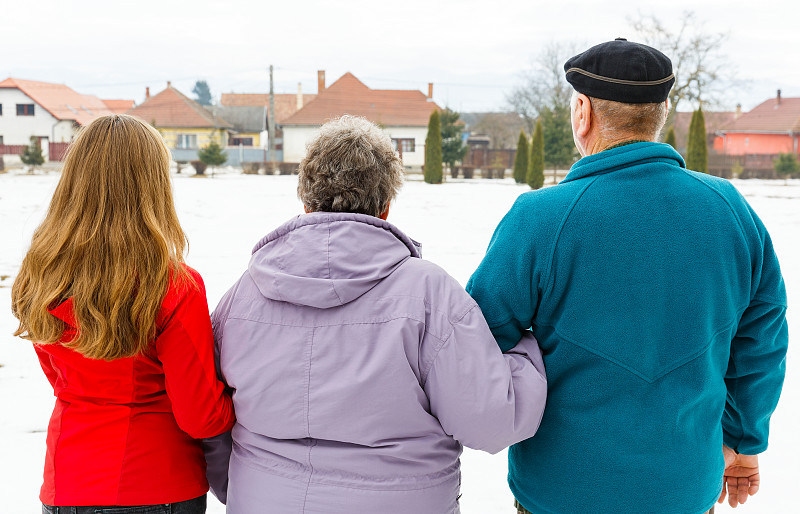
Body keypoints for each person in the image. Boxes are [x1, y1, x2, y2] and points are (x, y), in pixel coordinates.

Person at [467, 38, 788, 514]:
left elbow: (474, 341)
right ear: (659, 114)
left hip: (561, 491)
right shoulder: (729, 210)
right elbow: (762, 337)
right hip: (685, 488)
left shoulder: (540, 218)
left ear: (583, 112)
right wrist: (742, 440)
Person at [203, 115, 547, 513]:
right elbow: (489, 421)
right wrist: (524, 354)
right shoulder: (428, 294)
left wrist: (251, 486)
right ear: (385, 207)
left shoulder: (244, 294)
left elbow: (211, 419)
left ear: (306, 201)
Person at [11, 114, 235, 513]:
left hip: (68, 481)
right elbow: (201, 416)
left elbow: (63, 379)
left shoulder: (41, 274)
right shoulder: (173, 285)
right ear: (153, 186)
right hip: (156, 485)